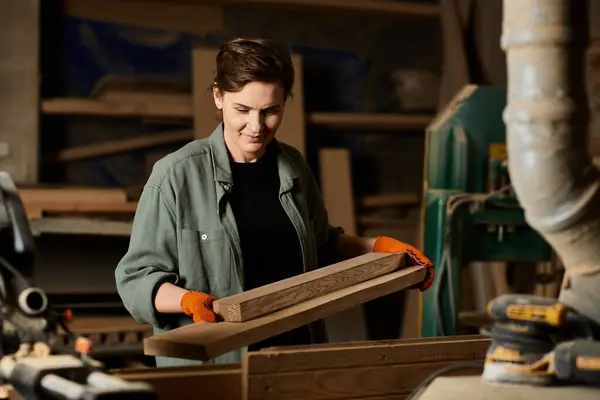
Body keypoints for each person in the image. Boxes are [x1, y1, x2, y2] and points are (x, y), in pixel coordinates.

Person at [114, 37, 434, 368]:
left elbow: (322, 245)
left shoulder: (293, 168)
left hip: (294, 357)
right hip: (216, 366)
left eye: (270, 111)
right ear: (218, 96)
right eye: (243, 110)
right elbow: (136, 279)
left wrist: (381, 249)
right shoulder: (176, 176)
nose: (256, 126)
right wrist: (186, 300)